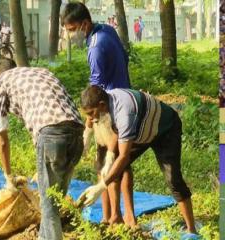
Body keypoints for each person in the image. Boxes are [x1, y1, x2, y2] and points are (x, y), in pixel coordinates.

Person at [78, 85, 197, 234]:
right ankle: (117, 218)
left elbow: (124, 156)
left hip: (165, 129)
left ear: (101, 105)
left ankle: (192, 230)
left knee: (173, 180)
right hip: (141, 130)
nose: (90, 118)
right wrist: (107, 154)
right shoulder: (106, 103)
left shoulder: (124, 112)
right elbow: (116, 131)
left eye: (91, 113)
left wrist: (101, 186)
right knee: (112, 169)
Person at [0, 58, 84, 240]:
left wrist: (8, 176)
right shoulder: (41, 71)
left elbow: (2, 138)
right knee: (53, 202)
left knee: (48, 207)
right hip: (77, 133)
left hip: (51, 134)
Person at [63, 2, 134, 226]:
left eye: (72, 29)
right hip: (124, 98)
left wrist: (88, 126)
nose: (71, 35)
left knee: (107, 162)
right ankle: (114, 216)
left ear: (84, 24)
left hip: (108, 109)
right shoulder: (107, 30)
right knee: (122, 163)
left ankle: (115, 216)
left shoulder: (95, 47)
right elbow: (125, 57)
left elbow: (95, 89)